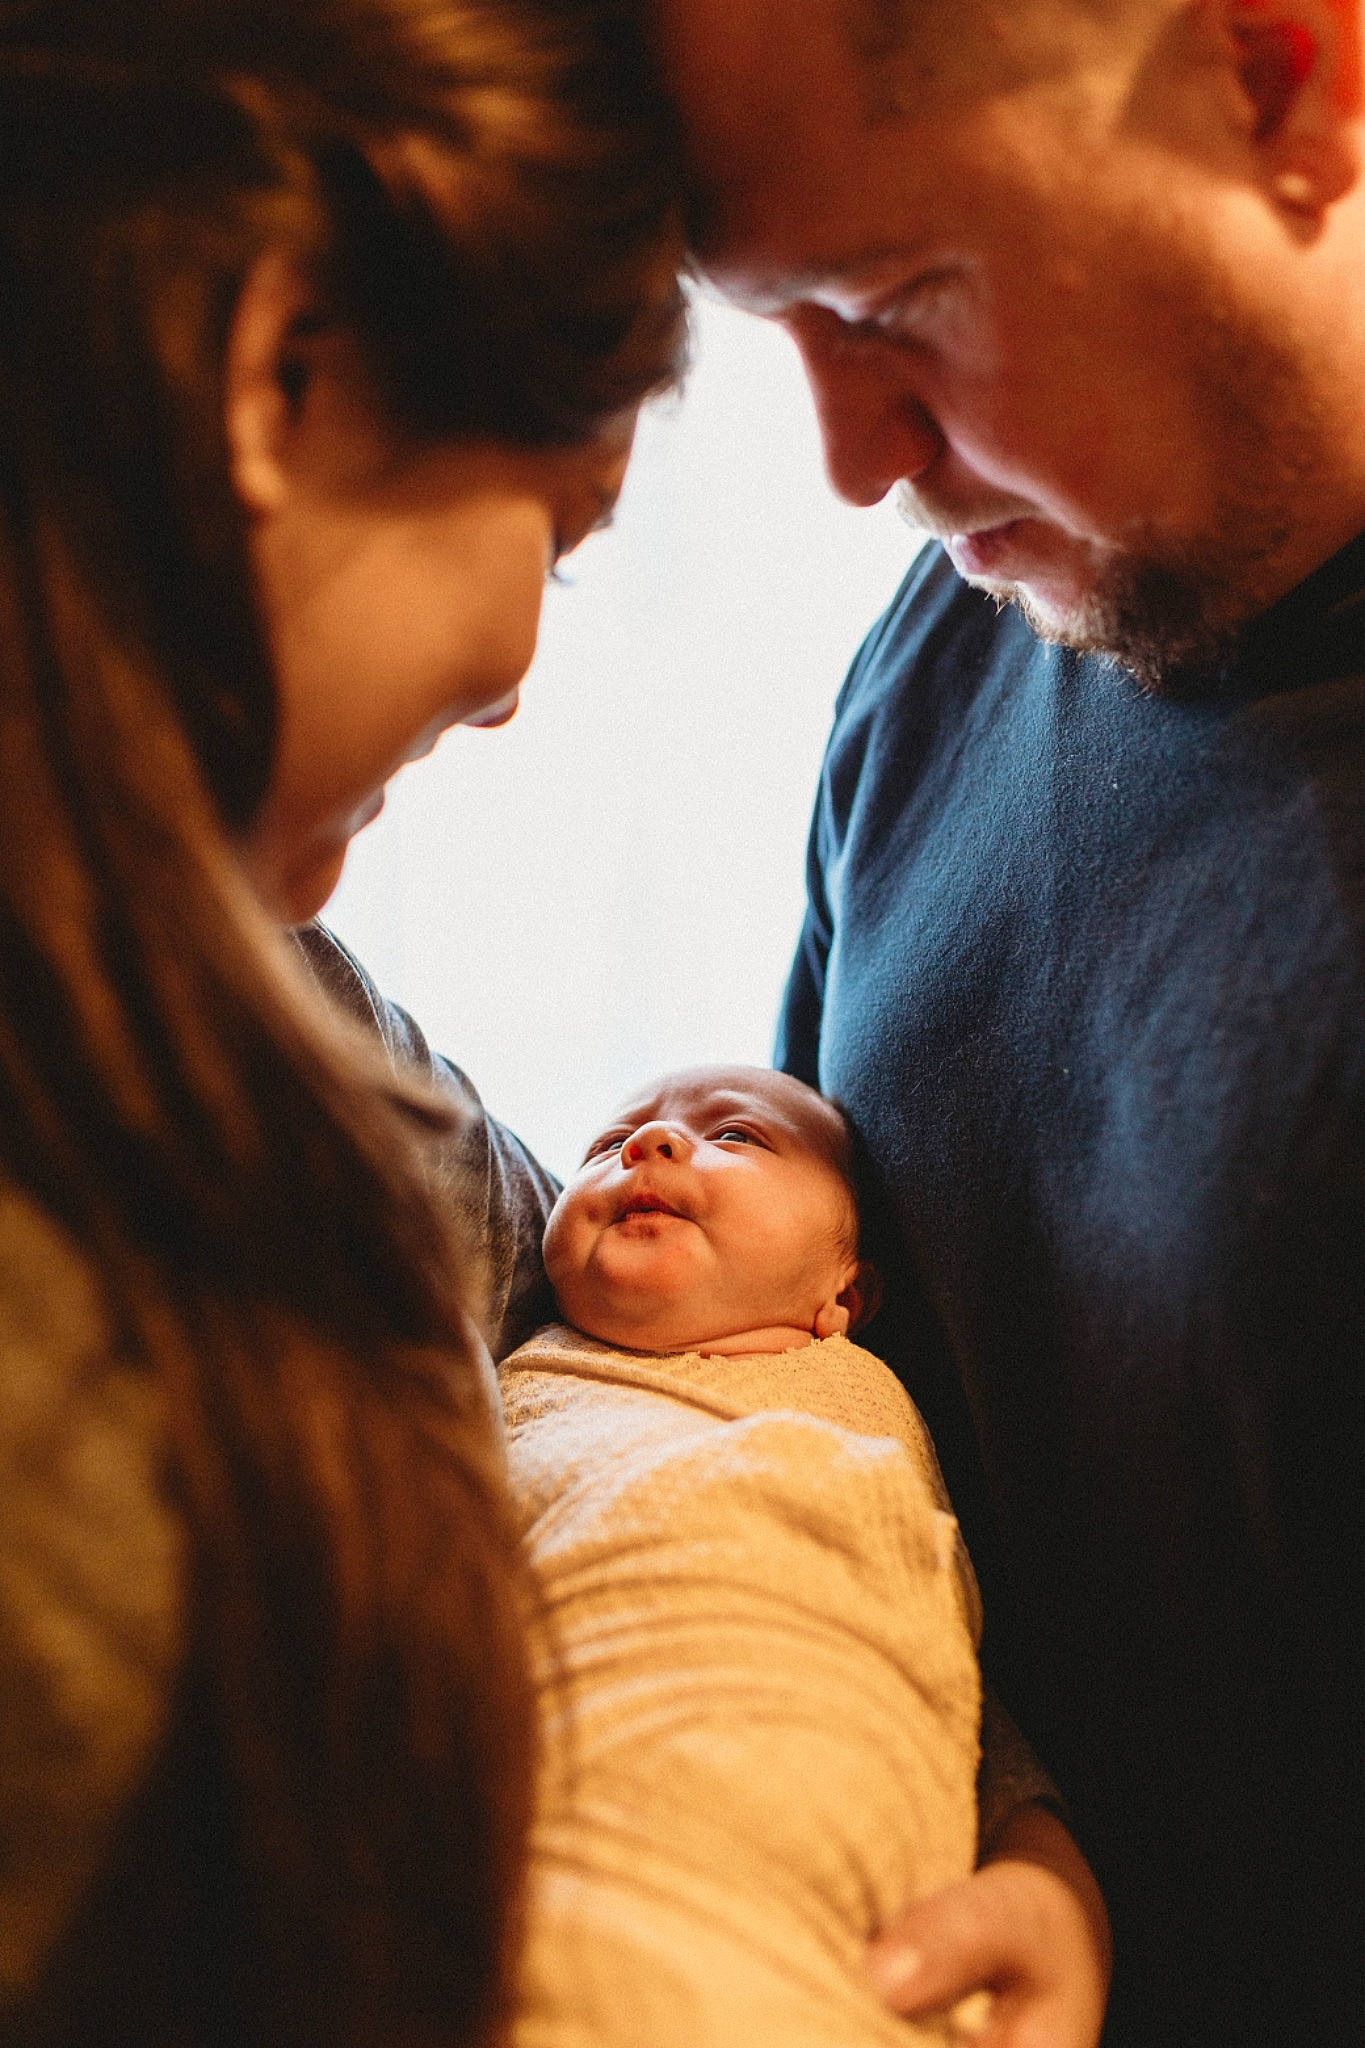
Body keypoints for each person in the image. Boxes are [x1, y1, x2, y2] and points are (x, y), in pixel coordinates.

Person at [644, 0, 1365, 2043]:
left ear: (1280, 81)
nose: (850, 456)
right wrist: (1021, 1835)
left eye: (900, 298)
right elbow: (842, 1403)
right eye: (774, 319)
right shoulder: (956, 641)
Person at [0, 1, 684, 2040]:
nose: (515, 681)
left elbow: (624, 1299)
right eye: (553, 535)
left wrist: (997, 1804)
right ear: (283, 370)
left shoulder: (262, 1012)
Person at [502, 1064, 988, 2048]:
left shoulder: (864, 1399)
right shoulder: (520, 1371)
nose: (653, 1144)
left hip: (797, 1764)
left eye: (737, 1136)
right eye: (608, 1143)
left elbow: (938, 1645)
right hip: (549, 1766)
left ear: (842, 1291)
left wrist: (1037, 1852)